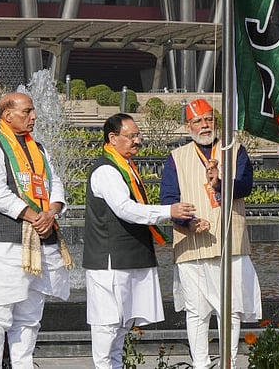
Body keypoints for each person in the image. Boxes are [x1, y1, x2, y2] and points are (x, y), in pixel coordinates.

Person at [0, 92, 73, 369]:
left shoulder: (39, 148)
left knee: (29, 317)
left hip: (39, 242)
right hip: (4, 243)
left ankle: (23, 365)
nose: (33, 116)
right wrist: (37, 217)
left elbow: (55, 183)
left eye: (33, 111)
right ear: (7, 115)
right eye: (27, 111)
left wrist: (52, 211)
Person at [84, 113, 197, 369]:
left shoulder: (126, 167)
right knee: (107, 325)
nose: (138, 141)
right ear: (113, 138)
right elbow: (126, 209)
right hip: (110, 259)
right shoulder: (106, 170)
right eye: (132, 136)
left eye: (138, 136)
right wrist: (169, 211)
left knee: (122, 325)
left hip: (132, 255)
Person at [159, 98, 262, 369]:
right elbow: (167, 200)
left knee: (230, 310)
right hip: (191, 244)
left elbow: (245, 186)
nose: (204, 125)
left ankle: (228, 364)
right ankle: (201, 365)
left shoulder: (235, 150)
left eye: (209, 119)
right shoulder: (175, 158)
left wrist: (220, 182)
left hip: (230, 243)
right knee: (197, 312)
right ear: (187, 126)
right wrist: (188, 223)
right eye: (198, 121)